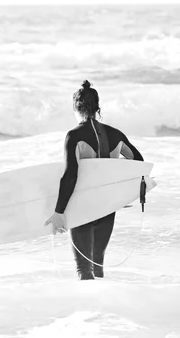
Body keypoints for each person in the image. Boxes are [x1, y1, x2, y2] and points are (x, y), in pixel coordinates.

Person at [44, 80, 144, 280]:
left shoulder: (74, 136)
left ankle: (90, 309)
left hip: (83, 210)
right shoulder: (116, 135)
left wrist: (58, 212)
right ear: (98, 107)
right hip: (107, 209)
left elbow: (71, 175)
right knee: (97, 267)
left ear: (75, 108)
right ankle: (105, 310)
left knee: (84, 272)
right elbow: (138, 163)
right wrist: (122, 195)